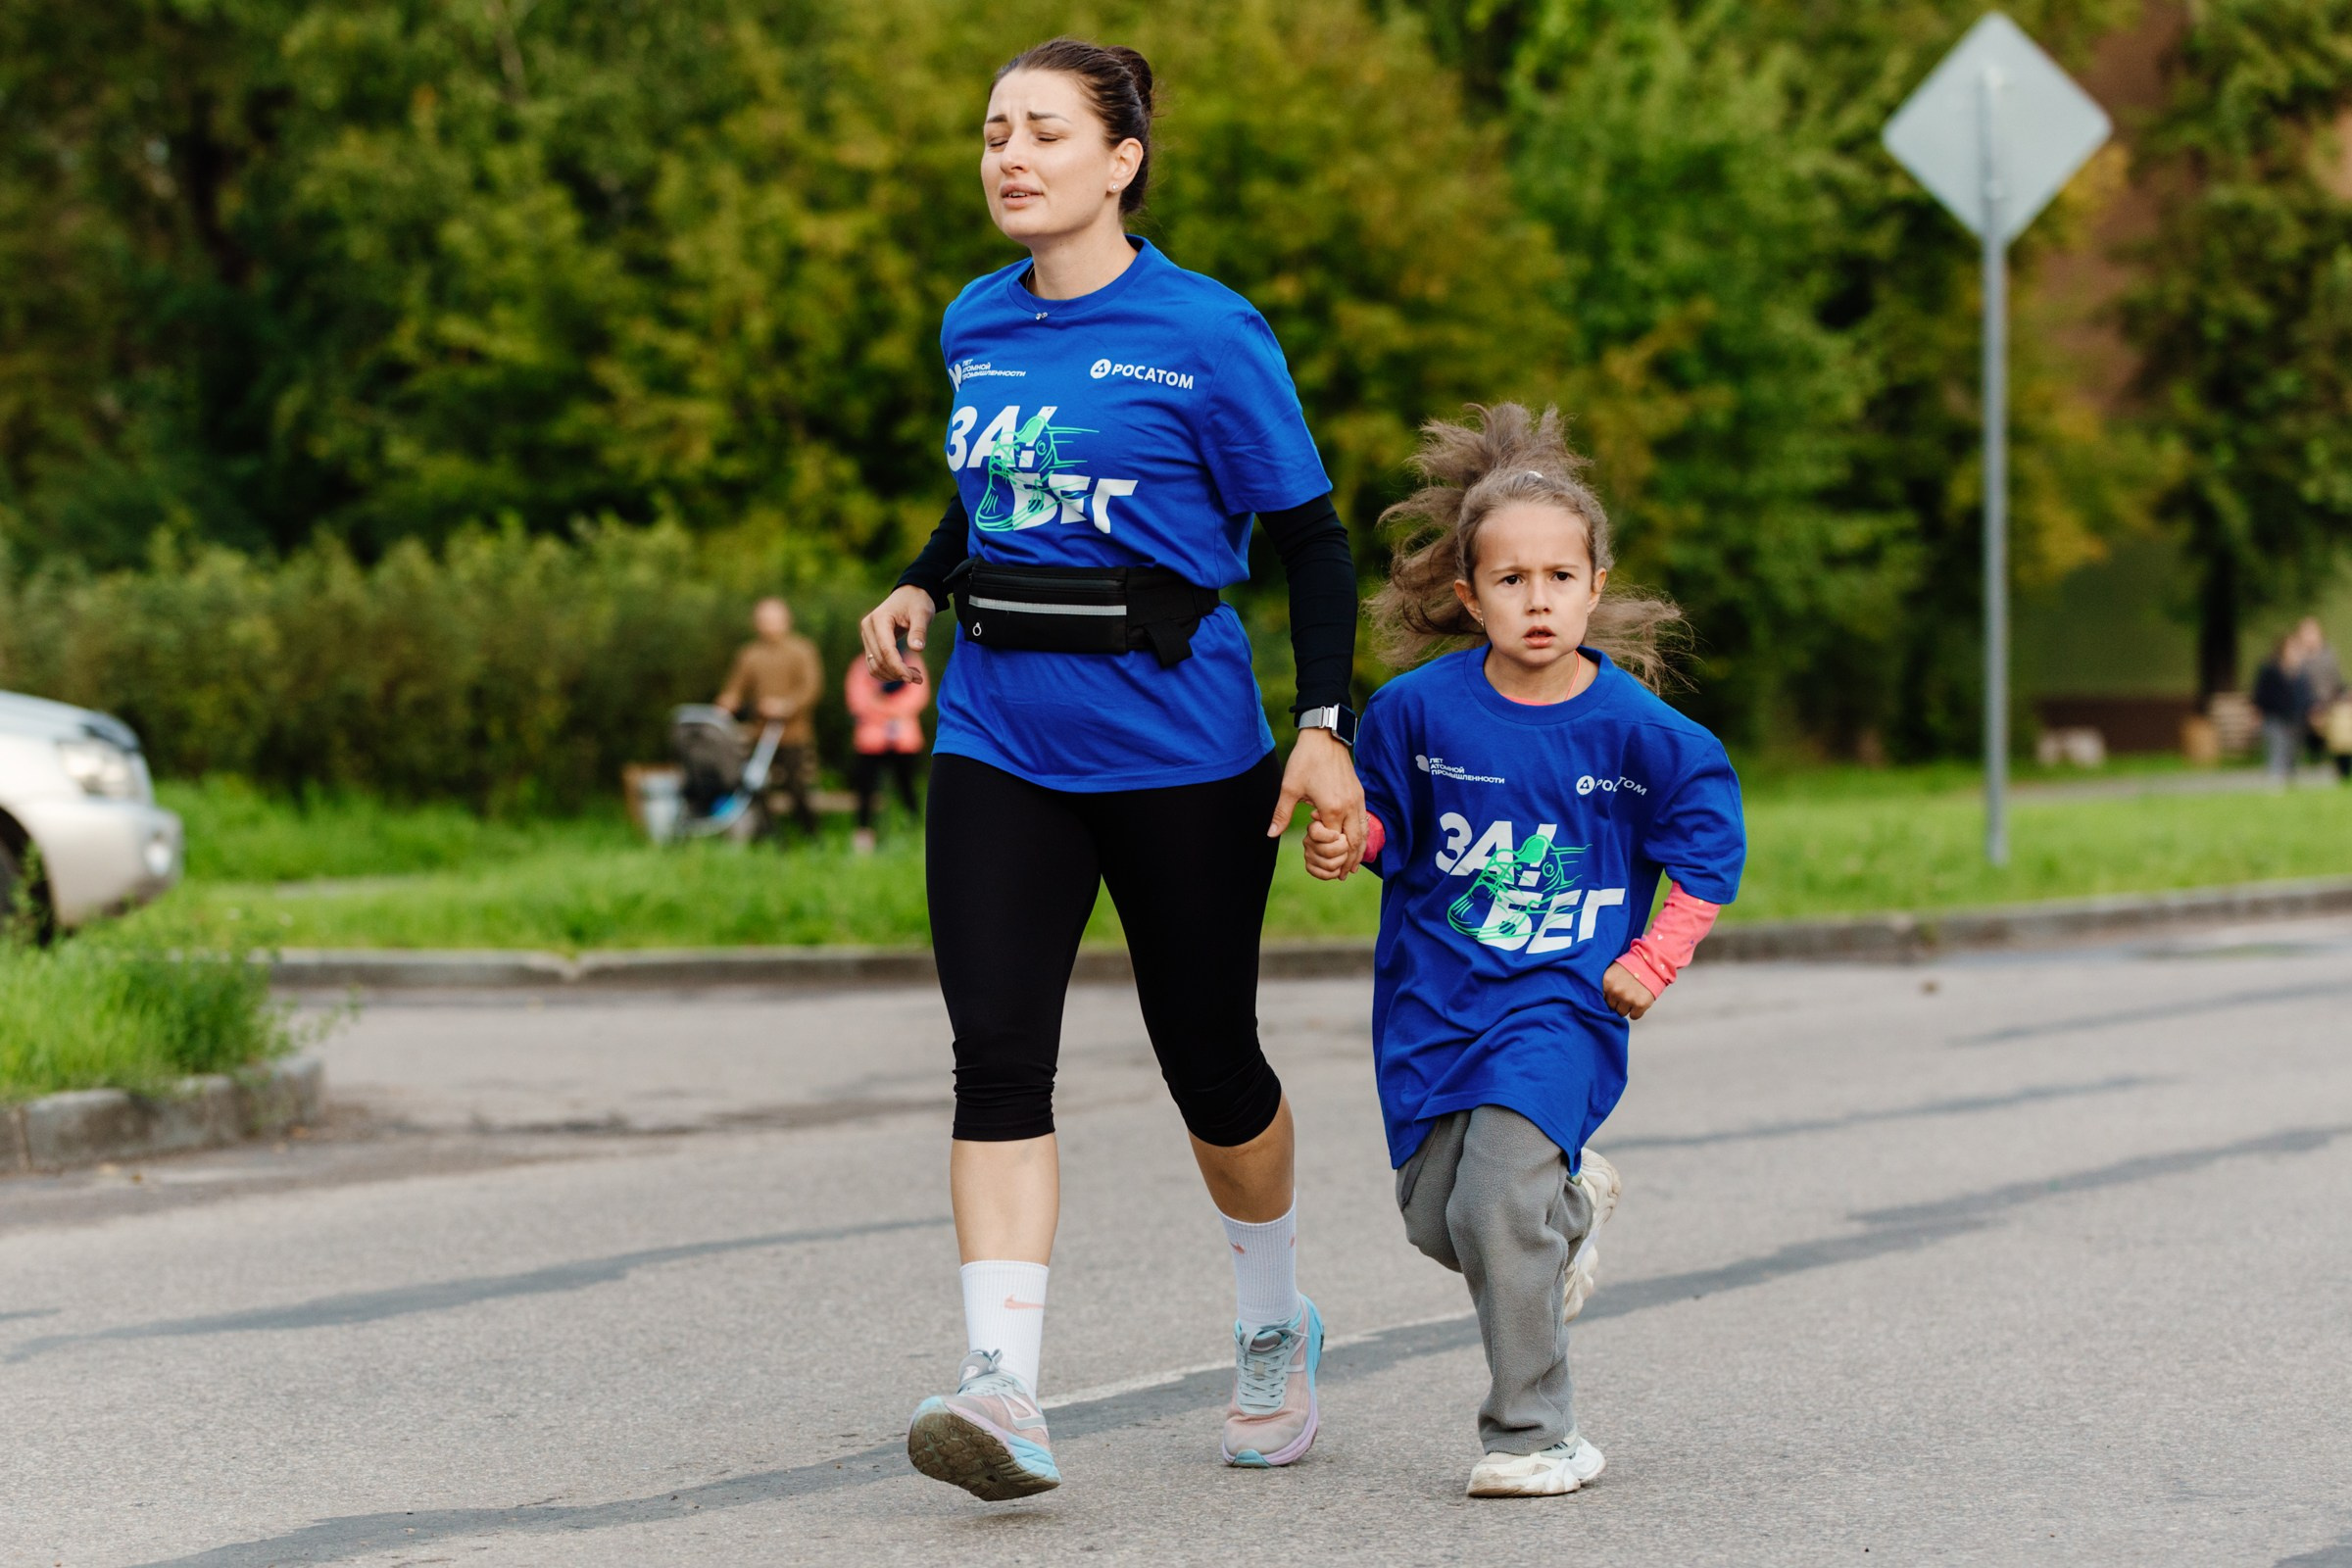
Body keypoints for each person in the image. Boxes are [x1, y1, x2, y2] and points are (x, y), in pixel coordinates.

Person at [856, 37, 1365, 1500]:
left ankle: (1274, 1321)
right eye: (994, 132)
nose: (1009, 156)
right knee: (996, 1055)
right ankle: (1001, 1387)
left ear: (1121, 161)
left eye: (1044, 134)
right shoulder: (975, 320)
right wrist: (918, 578)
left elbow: (1310, 541)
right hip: (999, 735)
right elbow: (993, 489)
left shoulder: (1206, 332)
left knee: (1212, 1063)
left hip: (1182, 750)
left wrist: (1322, 728)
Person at [1303, 405, 1744, 1497]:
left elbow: (1707, 853)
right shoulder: (1415, 711)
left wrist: (1653, 958)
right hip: (1435, 1000)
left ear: (1596, 585)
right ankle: (1574, 1204)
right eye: (1510, 580)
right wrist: (1348, 835)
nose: (1536, 599)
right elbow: (1390, 830)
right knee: (1437, 1219)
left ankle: (1534, 1432)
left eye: (1559, 576)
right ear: (1470, 596)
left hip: (1562, 1001)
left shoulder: (1646, 735)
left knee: (1496, 1207)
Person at [714, 597, 822, 837]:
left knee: (796, 787)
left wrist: (787, 706)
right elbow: (735, 687)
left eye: (773, 619)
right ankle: (770, 836)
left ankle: (811, 835)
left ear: (786, 620)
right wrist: (728, 701)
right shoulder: (750, 654)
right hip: (760, 733)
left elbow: (811, 687)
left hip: (794, 734)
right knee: (755, 785)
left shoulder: (802, 649)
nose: (769, 625)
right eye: (763, 620)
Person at [843, 652, 930, 853]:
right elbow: (857, 699)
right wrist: (891, 711)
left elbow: (917, 697)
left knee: (907, 787)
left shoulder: (912, 662)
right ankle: (864, 837)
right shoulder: (862, 663)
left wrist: (881, 707)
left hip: (904, 741)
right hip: (870, 741)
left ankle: (915, 834)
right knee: (865, 789)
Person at [2252, 630, 2308, 787]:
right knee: (2276, 748)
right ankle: (2274, 780)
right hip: (2274, 716)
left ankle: (2290, 780)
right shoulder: (2269, 670)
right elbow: (2260, 693)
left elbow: (2305, 695)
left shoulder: (2301, 672)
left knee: (2293, 751)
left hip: (2295, 717)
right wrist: (2257, 713)